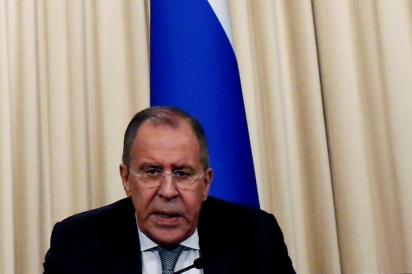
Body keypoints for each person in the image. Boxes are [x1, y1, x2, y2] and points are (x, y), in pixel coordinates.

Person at [44, 106, 295, 273]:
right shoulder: (77, 243)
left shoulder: (256, 238)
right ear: (126, 179)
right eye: (152, 172)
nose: (168, 191)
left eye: (182, 173)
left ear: (206, 183)